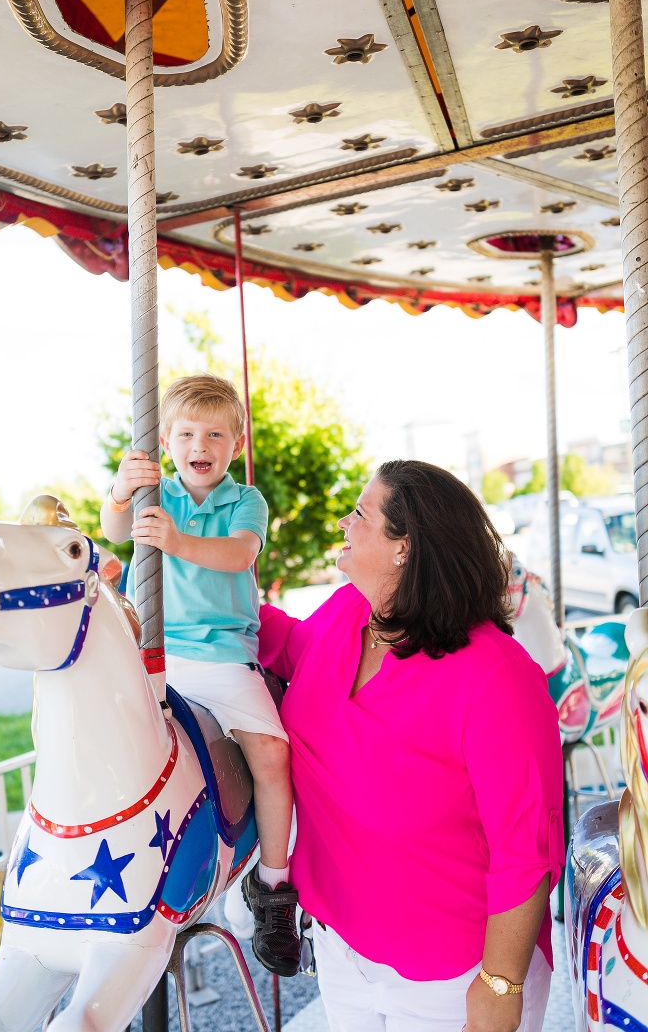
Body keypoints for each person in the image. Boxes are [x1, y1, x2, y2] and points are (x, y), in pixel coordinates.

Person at [257, 460, 564, 1032]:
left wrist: (499, 989)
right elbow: (294, 648)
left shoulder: (497, 677)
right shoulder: (353, 613)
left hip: (455, 978)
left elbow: (526, 853)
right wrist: (196, 602)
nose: (346, 524)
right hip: (343, 951)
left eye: (362, 515)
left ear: (406, 547)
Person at [100, 374, 300, 976]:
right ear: (165, 442)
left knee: (271, 754)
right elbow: (114, 531)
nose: (200, 443)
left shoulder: (245, 502)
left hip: (219, 655)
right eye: (186, 432)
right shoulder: (153, 493)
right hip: (155, 652)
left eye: (215, 433)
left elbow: (239, 554)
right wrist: (120, 492)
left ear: (235, 445)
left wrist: (177, 540)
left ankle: (273, 886)